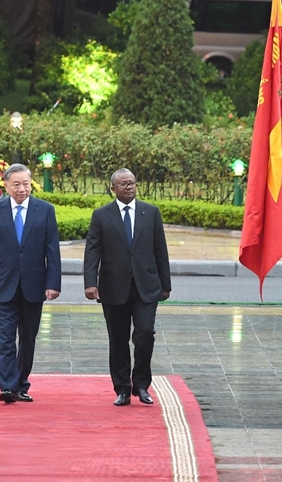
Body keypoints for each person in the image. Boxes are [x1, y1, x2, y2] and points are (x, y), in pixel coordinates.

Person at [83, 169, 171, 406]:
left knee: (145, 334)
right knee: (118, 339)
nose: (129, 187)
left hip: (146, 286)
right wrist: (90, 283)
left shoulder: (150, 212)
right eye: (123, 184)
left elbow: (160, 250)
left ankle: (141, 384)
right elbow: (93, 251)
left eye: (132, 183)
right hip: (113, 287)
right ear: (113, 188)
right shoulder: (102, 215)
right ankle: (122, 388)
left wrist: (166, 284)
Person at [0, 164, 61, 403]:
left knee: (27, 339)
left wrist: (53, 283)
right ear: (6, 185)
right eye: (16, 184)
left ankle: (21, 383)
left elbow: (52, 250)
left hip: (34, 285)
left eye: (25, 184)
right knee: (5, 338)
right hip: (4, 285)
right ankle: (7, 386)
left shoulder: (45, 210)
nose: (22, 189)